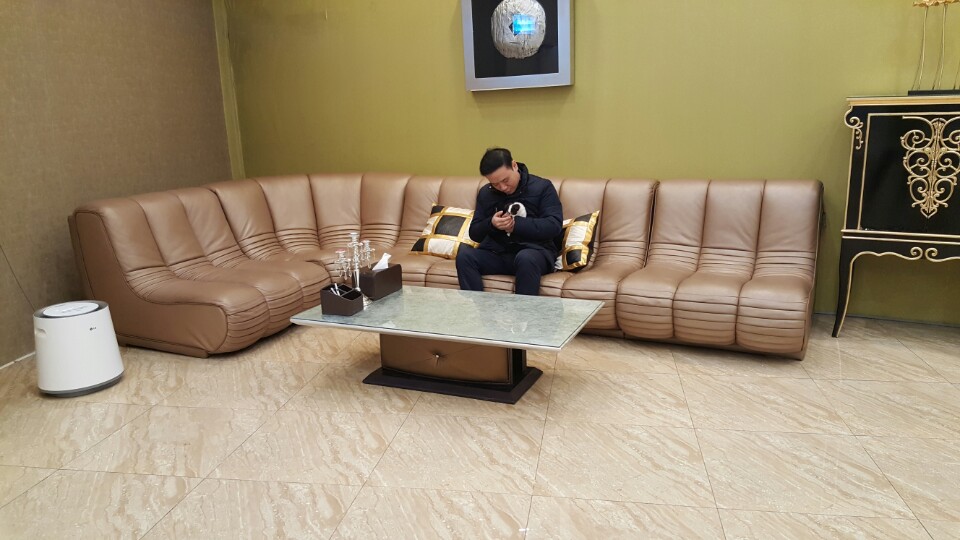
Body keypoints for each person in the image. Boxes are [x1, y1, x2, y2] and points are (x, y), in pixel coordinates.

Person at [456, 147, 563, 296]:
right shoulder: (486, 193)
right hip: (498, 253)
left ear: (514, 165)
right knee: (465, 256)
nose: (502, 187)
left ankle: (523, 312)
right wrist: (491, 224)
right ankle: (478, 308)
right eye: (495, 184)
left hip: (535, 253)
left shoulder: (542, 187)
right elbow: (474, 233)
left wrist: (516, 225)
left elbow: (554, 225)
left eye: (505, 180)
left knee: (525, 258)